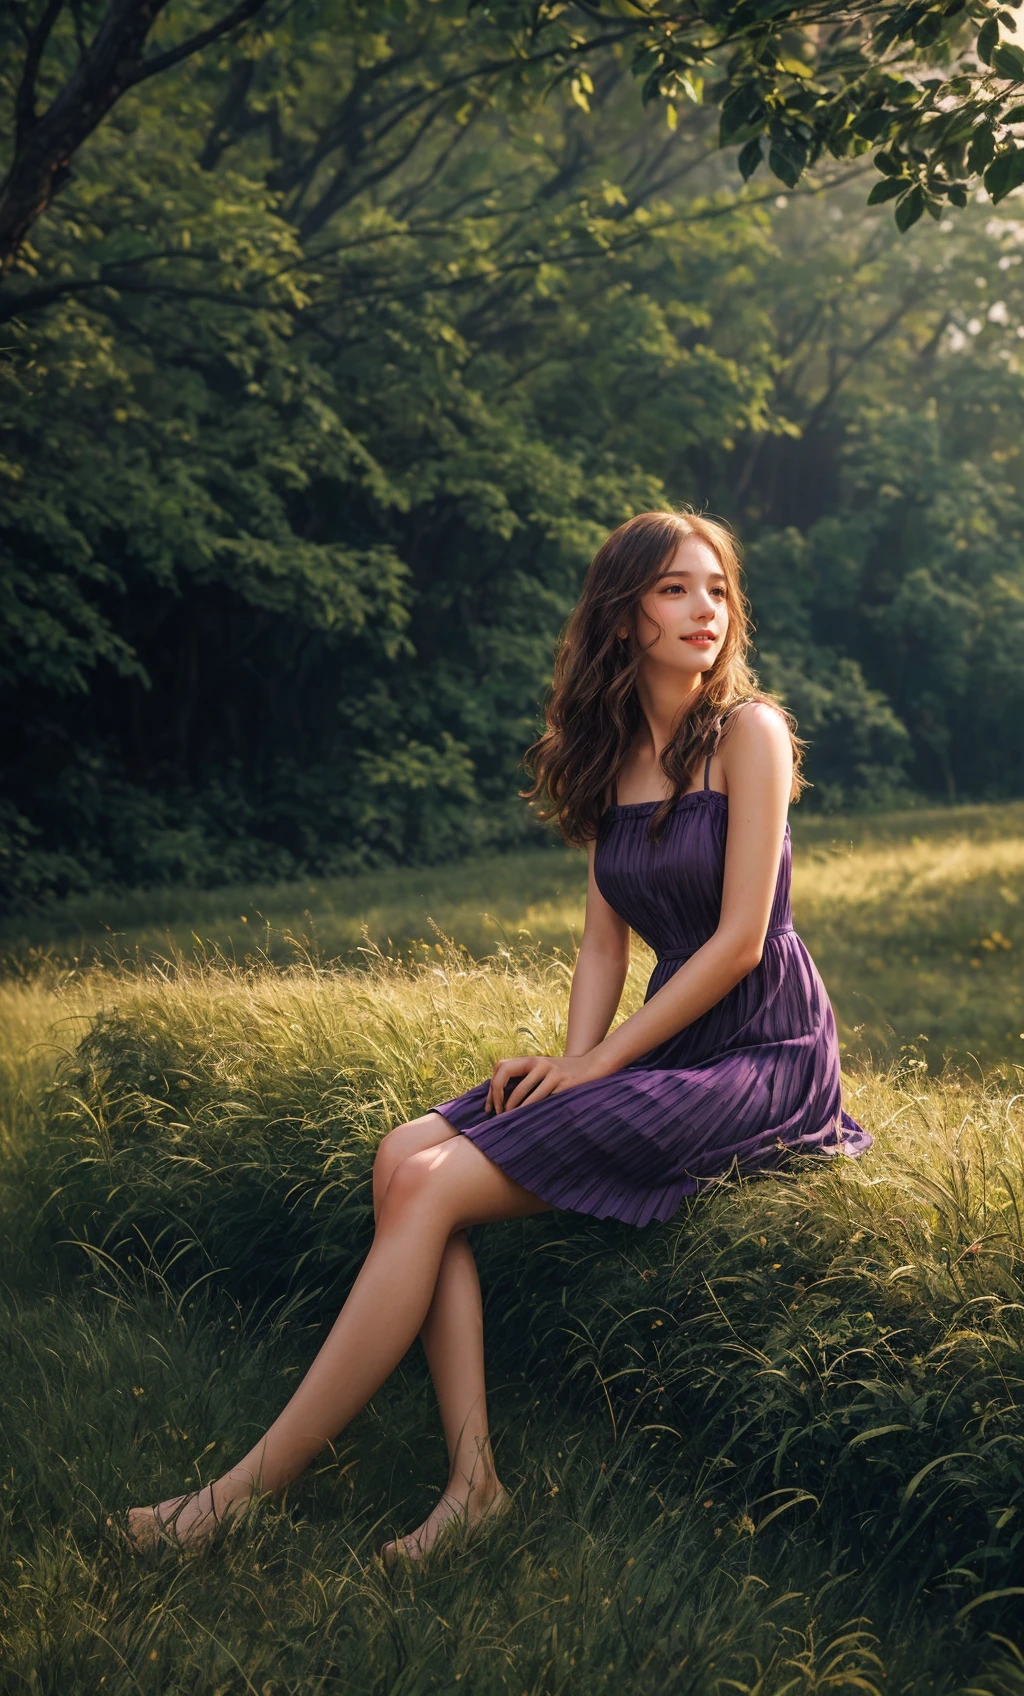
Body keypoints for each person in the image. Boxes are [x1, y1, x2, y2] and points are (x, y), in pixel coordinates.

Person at [125, 508, 870, 1558]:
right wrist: (571, 1057)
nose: (704, 608)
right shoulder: (617, 758)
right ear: (623, 618)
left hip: (765, 1054)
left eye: (715, 588)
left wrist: (598, 1064)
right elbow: (603, 948)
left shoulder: (749, 734)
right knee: (402, 1157)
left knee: (433, 1184)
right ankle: (473, 1483)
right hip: (674, 1041)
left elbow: (741, 941)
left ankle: (240, 1494)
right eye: (673, 589)